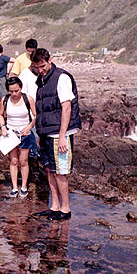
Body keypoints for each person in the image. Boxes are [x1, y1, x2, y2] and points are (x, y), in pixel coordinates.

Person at [30, 48, 81, 221]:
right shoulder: (42, 80)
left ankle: (65, 210)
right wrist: (40, 134)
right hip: (46, 133)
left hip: (59, 133)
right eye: (37, 67)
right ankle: (55, 206)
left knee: (60, 172)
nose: (40, 70)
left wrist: (62, 136)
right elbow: (42, 109)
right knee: (50, 170)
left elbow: (66, 107)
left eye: (42, 66)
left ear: (49, 60)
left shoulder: (61, 77)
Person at [0, 77, 37, 198]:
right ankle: (14, 187)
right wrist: (3, 127)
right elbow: (0, 115)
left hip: (25, 134)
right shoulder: (5, 99)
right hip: (11, 134)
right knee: (13, 161)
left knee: (23, 161)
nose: (14, 94)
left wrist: (29, 127)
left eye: (16, 91)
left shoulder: (28, 99)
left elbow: (36, 116)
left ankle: (24, 186)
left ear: (21, 88)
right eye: (11, 91)